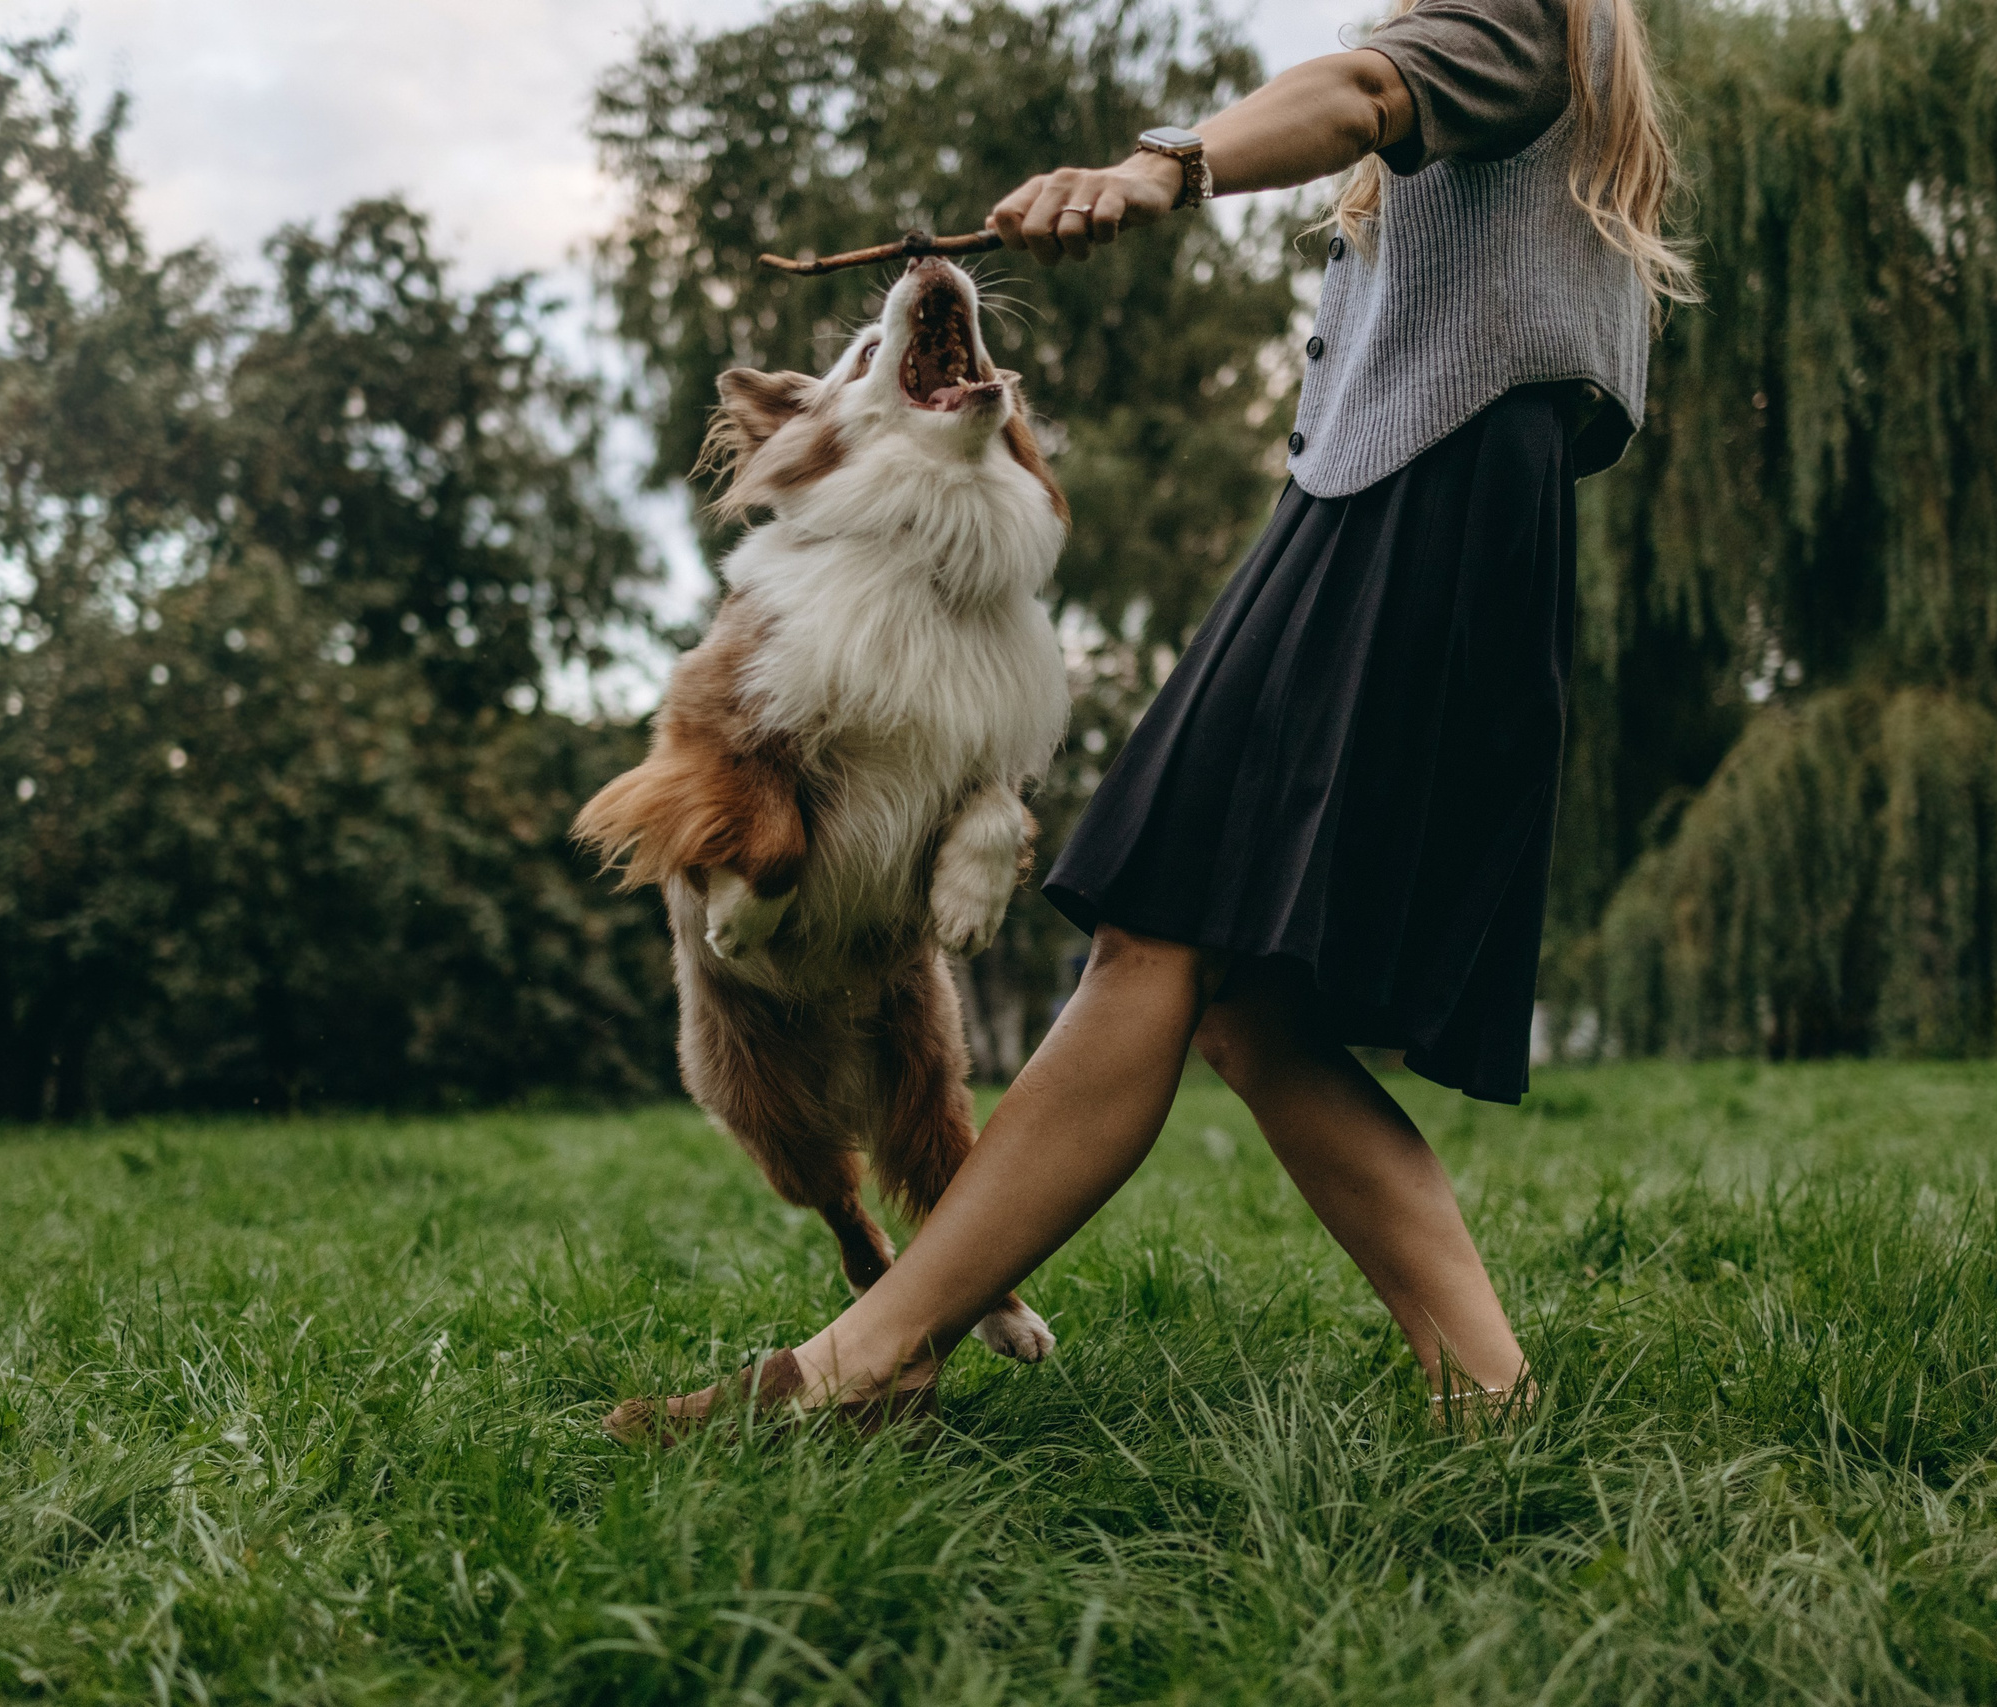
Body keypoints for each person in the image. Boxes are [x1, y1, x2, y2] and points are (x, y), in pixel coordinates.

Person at [607, 0, 1695, 1438]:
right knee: (1246, 1005)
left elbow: (1363, 90)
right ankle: (1488, 1397)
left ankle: (863, 1363)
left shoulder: (1515, 10)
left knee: (1159, 935)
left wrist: (1164, 164)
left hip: (1410, 509)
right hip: (1435, 509)